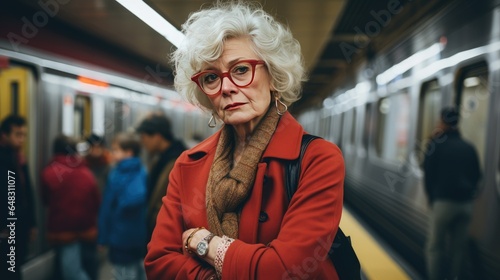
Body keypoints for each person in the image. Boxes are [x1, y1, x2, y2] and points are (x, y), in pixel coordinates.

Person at [144, 3, 345, 279]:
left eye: (240, 70)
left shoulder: (317, 159)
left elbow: (285, 270)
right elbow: (158, 262)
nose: (226, 87)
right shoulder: (187, 165)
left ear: (273, 76)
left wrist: (205, 244)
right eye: (212, 77)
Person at [423, 107, 482, 280]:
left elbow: (428, 175)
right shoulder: (469, 147)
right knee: (459, 249)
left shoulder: (435, 145)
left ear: (442, 122)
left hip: (443, 203)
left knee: (435, 247)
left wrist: (432, 199)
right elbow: (477, 175)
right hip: (465, 205)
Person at [41, 135, 100, 280]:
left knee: (70, 271)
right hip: (86, 229)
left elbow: (45, 200)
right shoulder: (86, 172)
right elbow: (97, 200)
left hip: (62, 231)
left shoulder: (49, 173)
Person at [98, 132, 147, 280]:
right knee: (138, 271)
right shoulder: (143, 171)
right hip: (139, 235)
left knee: (122, 273)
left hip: (119, 236)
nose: (112, 153)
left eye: (116, 150)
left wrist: (102, 237)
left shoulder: (116, 173)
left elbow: (107, 207)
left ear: (128, 152)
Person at [136, 113, 187, 238]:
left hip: (166, 232)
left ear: (157, 137)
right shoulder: (160, 158)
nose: (142, 142)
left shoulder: (178, 162)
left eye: (144, 137)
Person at [0, 115, 36, 280]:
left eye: (24, 135)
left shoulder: (19, 159)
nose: (22, 139)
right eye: (17, 134)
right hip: (6, 229)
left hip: (19, 225)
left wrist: (32, 223)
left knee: (15, 266)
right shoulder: (5, 160)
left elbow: (26, 193)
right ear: (4, 135)